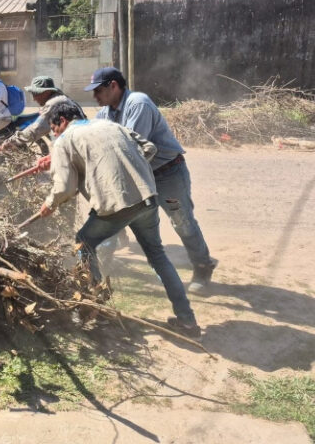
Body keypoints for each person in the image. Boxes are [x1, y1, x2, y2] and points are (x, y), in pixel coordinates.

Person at [40, 103, 201, 337]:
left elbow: (65, 186)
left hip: (115, 205)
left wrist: (50, 204)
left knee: (83, 242)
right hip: (146, 197)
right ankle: (187, 321)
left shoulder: (65, 140)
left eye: (54, 129)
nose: (54, 134)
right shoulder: (111, 125)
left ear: (62, 121)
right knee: (157, 255)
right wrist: (125, 170)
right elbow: (149, 147)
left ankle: (95, 310)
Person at [85, 67, 217, 294]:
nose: (94, 96)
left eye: (98, 90)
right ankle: (96, 274)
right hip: (138, 175)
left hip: (166, 173)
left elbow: (130, 149)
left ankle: (203, 266)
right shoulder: (105, 114)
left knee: (181, 221)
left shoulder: (138, 104)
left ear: (113, 86)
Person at [2, 75, 86, 149]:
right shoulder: (63, 98)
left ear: (47, 92)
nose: (34, 98)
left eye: (35, 94)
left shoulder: (53, 103)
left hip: (74, 147)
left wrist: (12, 141)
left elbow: (36, 129)